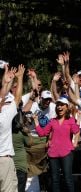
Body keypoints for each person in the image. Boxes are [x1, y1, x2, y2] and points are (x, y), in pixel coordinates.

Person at [33, 97, 80, 192]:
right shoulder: (52, 121)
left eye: (62, 105)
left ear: (66, 107)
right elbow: (42, 133)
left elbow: (76, 130)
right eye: (58, 105)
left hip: (66, 153)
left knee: (68, 178)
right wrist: (36, 121)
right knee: (55, 180)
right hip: (53, 153)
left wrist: (77, 119)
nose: (59, 107)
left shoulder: (70, 120)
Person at [0, 64, 25, 192]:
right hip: (4, 161)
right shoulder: (4, 117)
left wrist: (5, 83)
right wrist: (19, 78)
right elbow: (17, 98)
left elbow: (2, 97)